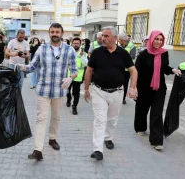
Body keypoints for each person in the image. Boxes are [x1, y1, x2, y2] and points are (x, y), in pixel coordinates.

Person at [18, 23, 77, 160]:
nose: (55, 34)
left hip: (59, 91)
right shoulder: (41, 49)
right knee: (41, 119)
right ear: (49, 33)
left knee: (56, 117)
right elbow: (33, 66)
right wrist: (22, 67)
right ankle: (38, 150)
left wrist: (70, 78)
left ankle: (52, 138)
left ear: (62, 34)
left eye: (57, 31)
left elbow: (74, 70)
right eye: (52, 32)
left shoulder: (69, 50)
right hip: (43, 90)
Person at [84, 26, 137, 161]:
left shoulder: (123, 53)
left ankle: (108, 138)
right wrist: (86, 89)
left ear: (114, 38)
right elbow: (89, 71)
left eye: (106, 36)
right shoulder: (96, 52)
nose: (103, 38)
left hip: (117, 92)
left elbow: (133, 71)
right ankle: (97, 149)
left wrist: (132, 88)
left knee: (112, 119)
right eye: (102, 36)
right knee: (100, 120)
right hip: (99, 91)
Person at [134, 30, 181, 151]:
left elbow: (164, 68)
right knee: (142, 109)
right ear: (151, 39)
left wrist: (173, 70)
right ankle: (140, 127)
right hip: (144, 87)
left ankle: (156, 141)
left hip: (159, 87)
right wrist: (133, 88)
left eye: (161, 40)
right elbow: (136, 72)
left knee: (157, 113)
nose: (158, 42)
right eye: (156, 39)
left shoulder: (164, 53)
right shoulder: (143, 55)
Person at [66, 37, 88, 115]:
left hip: (78, 77)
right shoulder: (68, 52)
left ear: (80, 44)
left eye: (77, 43)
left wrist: (82, 57)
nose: (76, 45)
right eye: (74, 43)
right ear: (72, 44)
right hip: (69, 76)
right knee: (67, 91)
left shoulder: (83, 53)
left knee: (76, 93)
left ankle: (74, 106)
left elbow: (86, 64)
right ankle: (68, 99)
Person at [118, 33, 136, 105]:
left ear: (122, 40)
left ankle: (123, 98)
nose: (118, 41)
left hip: (127, 70)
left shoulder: (132, 46)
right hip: (119, 69)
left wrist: (122, 58)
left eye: (119, 39)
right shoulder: (119, 46)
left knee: (125, 84)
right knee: (118, 84)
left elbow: (132, 56)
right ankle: (118, 97)